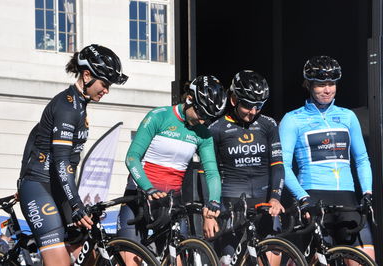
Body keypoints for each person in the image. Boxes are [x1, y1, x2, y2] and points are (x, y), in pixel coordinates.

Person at [17, 44, 128, 266]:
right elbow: (61, 161)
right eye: (104, 84)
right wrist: (76, 204)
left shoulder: (79, 105)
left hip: (59, 187)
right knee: (60, 262)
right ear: (87, 75)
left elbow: (35, 133)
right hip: (39, 186)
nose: (106, 90)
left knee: (89, 256)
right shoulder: (67, 107)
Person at [117, 75, 227, 264]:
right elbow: (132, 157)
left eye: (208, 117)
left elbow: (212, 172)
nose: (203, 121)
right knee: (131, 262)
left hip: (170, 204)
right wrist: (148, 187)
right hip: (139, 196)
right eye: (201, 113)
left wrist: (214, 202)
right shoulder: (159, 116)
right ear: (189, 99)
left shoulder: (203, 134)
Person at [279, 55, 375, 259]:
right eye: (321, 84)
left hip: (347, 198)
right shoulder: (293, 119)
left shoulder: (348, 116)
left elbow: (362, 159)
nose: (327, 90)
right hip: (312, 197)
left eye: (332, 84)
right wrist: (302, 197)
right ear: (309, 84)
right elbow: (283, 166)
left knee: (367, 257)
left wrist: (367, 192)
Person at [206, 70, 285, 265]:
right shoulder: (216, 129)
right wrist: (209, 212)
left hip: (263, 204)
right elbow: (208, 174)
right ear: (233, 99)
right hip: (230, 206)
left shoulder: (268, 125)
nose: (253, 112)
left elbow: (278, 165)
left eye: (259, 106)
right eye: (248, 106)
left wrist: (275, 197)